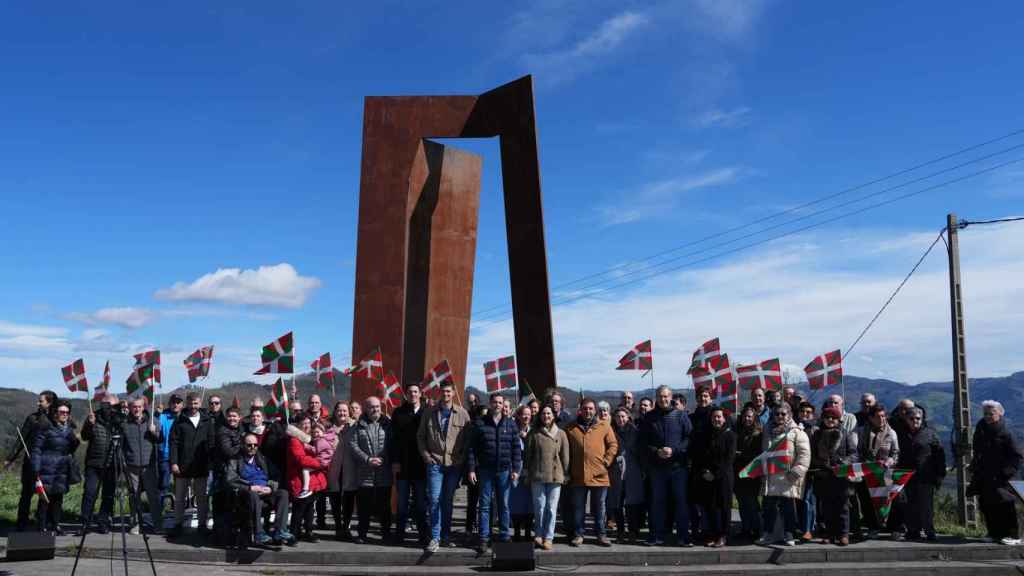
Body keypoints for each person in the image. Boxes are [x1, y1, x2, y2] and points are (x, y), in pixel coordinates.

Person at [418, 381, 470, 552]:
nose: (446, 394)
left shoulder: (463, 414)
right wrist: (426, 456)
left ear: (454, 393)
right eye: (443, 391)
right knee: (434, 499)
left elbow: (468, 441)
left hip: (454, 465)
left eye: (449, 391)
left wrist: (461, 459)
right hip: (435, 464)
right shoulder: (429, 412)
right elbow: (421, 437)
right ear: (439, 392)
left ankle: (445, 536)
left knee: (447, 501)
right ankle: (435, 537)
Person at [467, 392, 522, 551]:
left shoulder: (510, 424)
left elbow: (516, 449)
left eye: (500, 402)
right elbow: (472, 448)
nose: (497, 405)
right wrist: (471, 469)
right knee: (484, 505)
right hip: (485, 470)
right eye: (495, 402)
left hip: (504, 470)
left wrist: (516, 469)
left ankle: (504, 536)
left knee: (504, 505)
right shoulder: (480, 423)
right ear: (490, 404)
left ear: (503, 405)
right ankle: (484, 537)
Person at [641, 385, 692, 547]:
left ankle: (684, 537)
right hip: (657, 468)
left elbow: (689, 438)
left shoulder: (681, 415)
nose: (663, 399)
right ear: (656, 398)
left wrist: (675, 450)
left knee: (681, 502)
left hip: (678, 467)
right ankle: (656, 535)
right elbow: (643, 442)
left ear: (670, 397)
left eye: (666, 396)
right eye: (660, 396)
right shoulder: (649, 417)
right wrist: (656, 451)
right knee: (657, 502)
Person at [566, 398, 618, 547]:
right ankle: (578, 534)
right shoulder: (570, 428)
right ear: (580, 410)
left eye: (590, 408)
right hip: (578, 475)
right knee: (578, 507)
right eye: (585, 408)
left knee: (600, 507)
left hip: (599, 475)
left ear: (595, 410)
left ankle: (601, 535)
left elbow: (613, 445)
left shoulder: (604, 426)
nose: (588, 411)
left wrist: (607, 461)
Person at [757, 403, 810, 547]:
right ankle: (768, 534)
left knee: (788, 508)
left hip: (788, 477)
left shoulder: (797, 432)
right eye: (777, 414)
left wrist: (797, 472)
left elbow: (804, 454)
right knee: (768, 507)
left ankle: (789, 534)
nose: (780, 416)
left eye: (783, 414)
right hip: (771, 476)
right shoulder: (767, 431)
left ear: (790, 415)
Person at [227, 433, 293, 546]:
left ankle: (280, 531)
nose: (253, 447)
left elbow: (276, 476)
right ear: (243, 445)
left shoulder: (263, 459)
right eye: (249, 445)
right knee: (252, 495)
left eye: (255, 445)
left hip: (265, 491)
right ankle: (259, 533)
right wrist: (249, 487)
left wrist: (270, 487)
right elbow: (230, 480)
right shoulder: (235, 460)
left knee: (283, 493)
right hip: (247, 494)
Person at [970, 400, 1022, 545]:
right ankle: (994, 533)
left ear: (1000, 413)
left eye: (991, 413)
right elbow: (978, 451)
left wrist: (1006, 473)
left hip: (1002, 477)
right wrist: (974, 466)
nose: (987, 416)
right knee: (987, 505)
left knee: (1006, 505)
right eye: (985, 413)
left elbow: (1017, 455)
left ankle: (1013, 536)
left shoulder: (1006, 432)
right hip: (984, 474)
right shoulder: (981, 430)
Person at [6, 390, 58, 531]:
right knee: (26, 494)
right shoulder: (32, 418)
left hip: (48, 463)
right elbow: (20, 440)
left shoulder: (57, 419)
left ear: (49, 403)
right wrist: (10, 458)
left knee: (46, 494)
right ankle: (21, 523)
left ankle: (44, 524)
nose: (38, 403)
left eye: (41, 401)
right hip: (30, 461)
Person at [810, 406, 858, 546]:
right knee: (826, 507)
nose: (830, 420)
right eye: (827, 417)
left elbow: (854, 454)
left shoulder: (846, 434)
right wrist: (821, 463)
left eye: (834, 418)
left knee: (843, 506)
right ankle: (830, 534)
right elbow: (812, 455)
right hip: (823, 475)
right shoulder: (817, 435)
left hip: (841, 476)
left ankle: (843, 534)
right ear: (822, 418)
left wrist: (843, 463)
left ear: (839, 420)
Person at [169, 393, 215, 537]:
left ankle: (202, 525)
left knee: (202, 497)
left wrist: (210, 462)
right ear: (187, 404)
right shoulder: (180, 420)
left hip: (201, 465)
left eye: (196, 403)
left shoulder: (207, 420)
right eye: (191, 403)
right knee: (180, 496)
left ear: (200, 403)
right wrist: (174, 462)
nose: (193, 406)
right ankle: (178, 524)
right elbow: (173, 443)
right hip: (183, 465)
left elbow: (211, 442)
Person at [524, 405, 569, 551]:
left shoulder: (561, 433)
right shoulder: (533, 433)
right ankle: (538, 534)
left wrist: (566, 473)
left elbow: (565, 456)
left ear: (553, 415)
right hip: (537, 475)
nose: (546, 416)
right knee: (540, 508)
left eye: (549, 413)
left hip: (556, 476)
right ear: (540, 416)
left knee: (551, 508)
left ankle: (548, 537)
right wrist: (526, 473)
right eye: (544, 413)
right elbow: (527, 456)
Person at [31, 399, 79, 533]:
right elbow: (37, 449)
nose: (65, 414)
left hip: (61, 468)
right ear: (55, 413)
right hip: (46, 468)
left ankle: (55, 524)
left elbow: (71, 448)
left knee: (58, 498)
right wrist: (35, 468)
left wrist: (75, 441)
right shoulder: (45, 428)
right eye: (62, 412)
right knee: (44, 499)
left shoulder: (69, 430)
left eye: (67, 412)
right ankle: (41, 526)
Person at [896, 406, 944, 541]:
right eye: (912, 418)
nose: (915, 421)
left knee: (926, 506)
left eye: (918, 418)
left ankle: (930, 531)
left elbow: (939, 455)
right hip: (906, 476)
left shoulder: (931, 434)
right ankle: (913, 531)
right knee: (909, 505)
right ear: (906, 419)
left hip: (926, 476)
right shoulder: (900, 434)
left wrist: (940, 475)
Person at [350, 396, 393, 543]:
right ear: (366, 408)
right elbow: (353, 446)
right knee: (364, 507)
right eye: (372, 407)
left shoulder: (388, 424)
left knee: (385, 506)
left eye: (377, 406)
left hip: (384, 471)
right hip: (365, 472)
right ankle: (362, 534)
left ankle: (386, 533)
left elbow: (393, 444)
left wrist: (383, 458)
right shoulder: (358, 425)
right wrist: (367, 459)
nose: (375, 409)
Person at [389, 384, 428, 544]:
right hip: (403, 464)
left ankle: (423, 535)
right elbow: (393, 440)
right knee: (402, 503)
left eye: (415, 392)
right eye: (410, 391)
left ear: (420, 394)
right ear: (406, 394)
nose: (413, 394)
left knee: (420, 503)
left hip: (421, 466)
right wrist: (395, 461)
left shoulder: (427, 412)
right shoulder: (398, 412)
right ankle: (399, 535)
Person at [692, 406, 736, 547]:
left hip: (724, 477)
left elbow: (729, 459)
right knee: (710, 507)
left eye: (719, 417)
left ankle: (724, 535)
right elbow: (701, 456)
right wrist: (705, 472)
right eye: (714, 417)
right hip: (707, 476)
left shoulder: (730, 435)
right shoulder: (706, 435)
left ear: (724, 419)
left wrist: (715, 475)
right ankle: (713, 534)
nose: (716, 419)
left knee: (724, 507)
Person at [855, 403, 898, 539]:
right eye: (879, 416)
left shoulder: (891, 432)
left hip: (885, 472)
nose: (882, 419)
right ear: (871, 418)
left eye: (884, 416)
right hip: (867, 471)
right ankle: (872, 527)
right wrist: (866, 464)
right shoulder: (862, 431)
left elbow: (895, 453)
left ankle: (889, 526)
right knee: (866, 501)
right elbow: (858, 451)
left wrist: (889, 462)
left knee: (886, 500)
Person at [121, 398, 163, 535]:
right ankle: (135, 525)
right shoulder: (125, 424)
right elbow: (121, 446)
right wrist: (124, 462)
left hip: (149, 466)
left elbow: (160, 440)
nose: (137, 409)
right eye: (134, 407)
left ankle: (157, 525)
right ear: (130, 408)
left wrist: (154, 432)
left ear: (143, 407)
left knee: (153, 497)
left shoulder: (153, 421)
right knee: (134, 497)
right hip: (132, 466)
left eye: (139, 407)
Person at [80, 394, 119, 535]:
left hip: (112, 463)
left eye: (112, 406)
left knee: (108, 495)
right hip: (94, 463)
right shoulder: (93, 417)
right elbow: (84, 436)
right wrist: (90, 424)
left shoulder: (118, 419)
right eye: (105, 405)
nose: (109, 408)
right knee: (90, 493)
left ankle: (103, 522)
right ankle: (85, 523)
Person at [286, 415, 326, 542]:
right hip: (299, 479)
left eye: (308, 423)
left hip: (310, 479)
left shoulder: (309, 439)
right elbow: (300, 459)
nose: (307, 425)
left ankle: (308, 531)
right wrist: (319, 462)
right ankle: (294, 533)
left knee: (309, 507)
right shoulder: (295, 440)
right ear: (298, 425)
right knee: (300, 508)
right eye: (303, 423)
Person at [608, 406, 644, 544]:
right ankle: (620, 531)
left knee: (631, 503)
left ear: (628, 417)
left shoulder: (635, 432)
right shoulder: (611, 431)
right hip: (616, 470)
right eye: (618, 417)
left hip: (632, 469)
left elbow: (640, 451)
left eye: (623, 416)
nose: (620, 419)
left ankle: (633, 531)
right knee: (617, 502)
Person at [212, 405, 244, 542]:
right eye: (230, 416)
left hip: (236, 473)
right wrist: (244, 444)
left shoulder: (241, 430)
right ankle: (221, 536)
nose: (232, 418)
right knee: (223, 505)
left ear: (240, 418)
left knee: (234, 506)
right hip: (223, 473)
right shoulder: (223, 431)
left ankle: (231, 534)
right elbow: (229, 452)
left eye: (234, 416)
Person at [326, 401, 355, 541]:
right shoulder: (328, 428)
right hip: (334, 468)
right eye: (339, 410)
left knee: (349, 499)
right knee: (335, 498)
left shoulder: (354, 427)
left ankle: (347, 527)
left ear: (349, 412)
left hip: (350, 468)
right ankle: (338, 527)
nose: (342, 413)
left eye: (345, 411)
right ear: (335, 412)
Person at [734, 405, 763, 541]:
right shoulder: (737, 432)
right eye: (745, 416)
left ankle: (757, 529)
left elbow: (759, 453)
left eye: (750, 416)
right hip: (738, 472)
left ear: (754, 418)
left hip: (752, 473)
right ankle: (746, 528)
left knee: (752, 502)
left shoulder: (759, 433)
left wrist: (742, 454)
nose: (747, 419)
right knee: (742, 502)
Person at [510, 404, 534, 542]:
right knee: (516, 503)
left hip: (530, 471)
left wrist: (527, 438)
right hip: (516, 472)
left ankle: (528, 532)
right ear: (518, 415)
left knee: (529, 503)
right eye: (524, 414)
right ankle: (517, 532)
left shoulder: (534, 431)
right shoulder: (513, 430)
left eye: (529, 415)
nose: (526, 417)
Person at [157, 395, 183, 509]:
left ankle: (180, 507)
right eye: (173, 402)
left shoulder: (185, 417)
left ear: (182, 404)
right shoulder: (163, 416)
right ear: (169, 404)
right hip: (165, 455)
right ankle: (161, 509)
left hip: (181, 456)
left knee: (181, 484)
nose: (175, 405)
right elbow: (156, 426)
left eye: (178, 402)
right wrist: (156, 415)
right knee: (164, 484)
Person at [796, 402, 818, 541]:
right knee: (797, 499)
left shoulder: (816, 430)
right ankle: (800, 526)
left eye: (808, 412)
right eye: (803, 411)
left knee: (807, 500)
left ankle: (808, 529)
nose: (805, 414)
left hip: (810, 469)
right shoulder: (793, 428)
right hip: (795, 468)